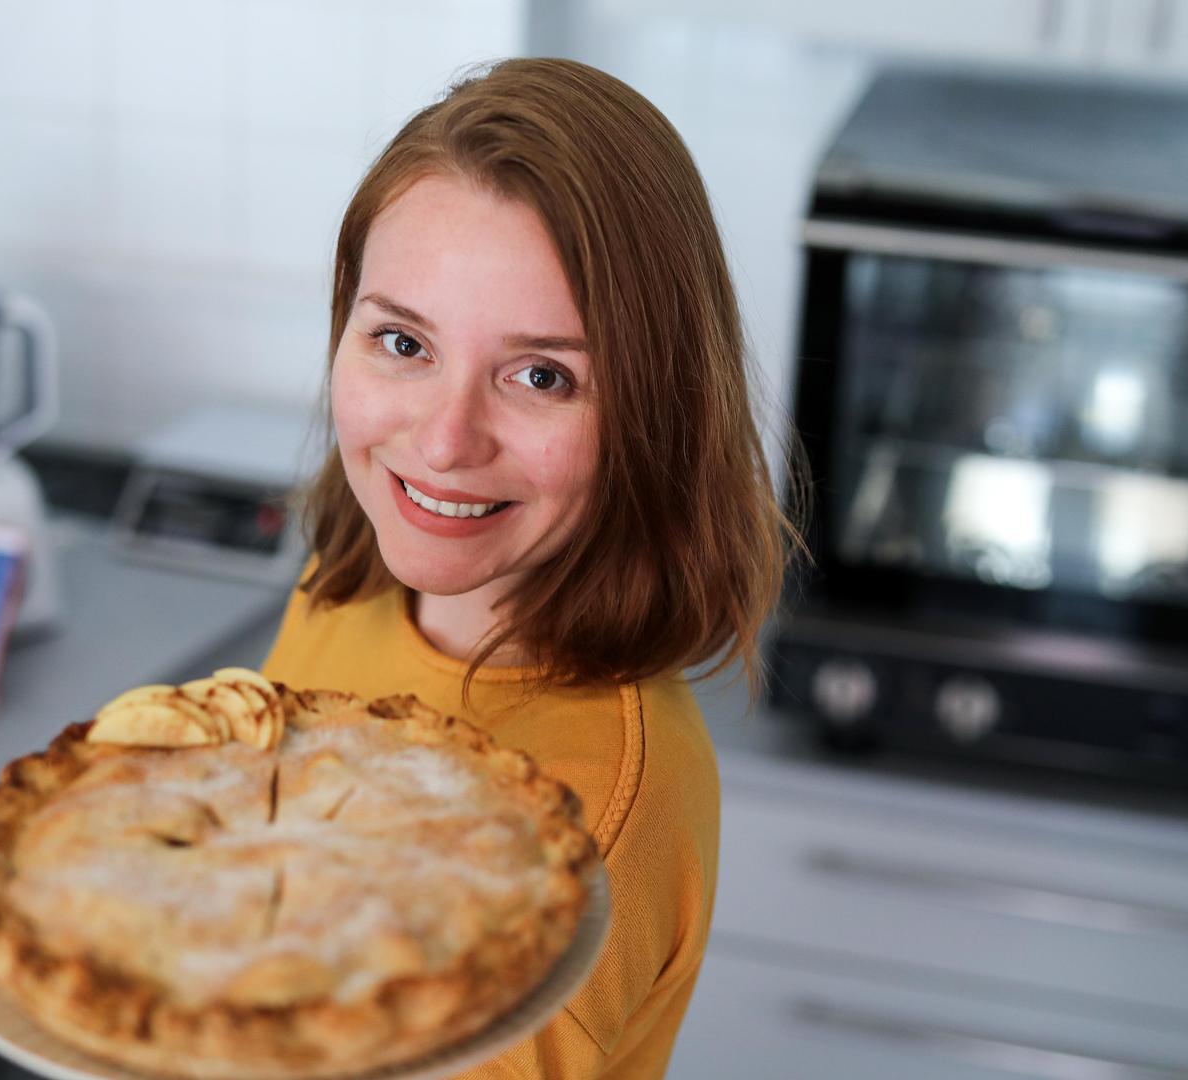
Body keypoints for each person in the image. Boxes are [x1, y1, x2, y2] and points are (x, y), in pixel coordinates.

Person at [261, 56, 799, 1078]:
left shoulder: (585, 819)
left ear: (657, 408)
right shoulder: (354, 581)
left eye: (541, 374)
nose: (446, 440)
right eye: (403, 342)